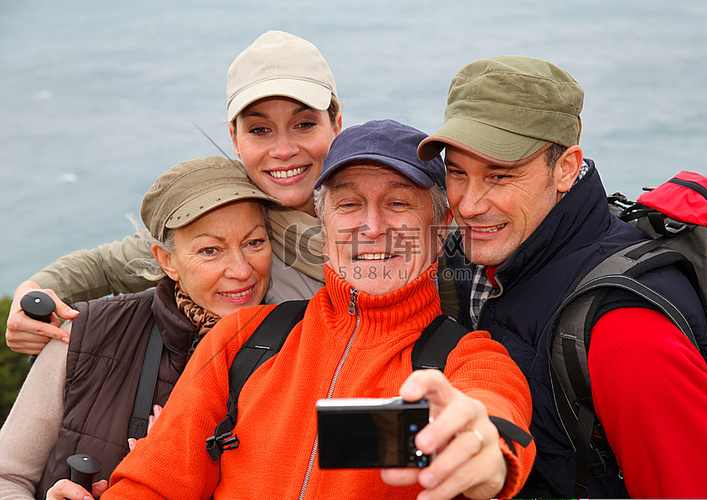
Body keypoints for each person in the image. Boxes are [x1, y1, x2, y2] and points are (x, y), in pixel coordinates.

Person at [95, 120, 535, 500]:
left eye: (398, 203)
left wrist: (486, 450)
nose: (372, 227)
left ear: (440, 232)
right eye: (348, 204)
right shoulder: (242, 338)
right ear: (322, 231)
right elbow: (151, 484)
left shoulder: (472, 358)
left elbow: (493, 410)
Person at [4, 30, 461, 356]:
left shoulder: (389, 206)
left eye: (304, 124)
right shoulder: (230, 210)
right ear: (234, 137)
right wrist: (35, 292)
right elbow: (112, 263)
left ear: (335, 124)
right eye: (260, 130)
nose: (284, 150)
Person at [416, 56, 707, 498]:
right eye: (456, 172)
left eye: (499, 176)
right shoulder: (478, 258)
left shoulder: (626, 332)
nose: (469, 204)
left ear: (566, 169)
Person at [0, 156, 280, 499]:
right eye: (210, 250)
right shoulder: (84, 335)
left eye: (254, 243)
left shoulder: (304, 350)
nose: (241, 270)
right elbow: (7, 477)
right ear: (166, 261)